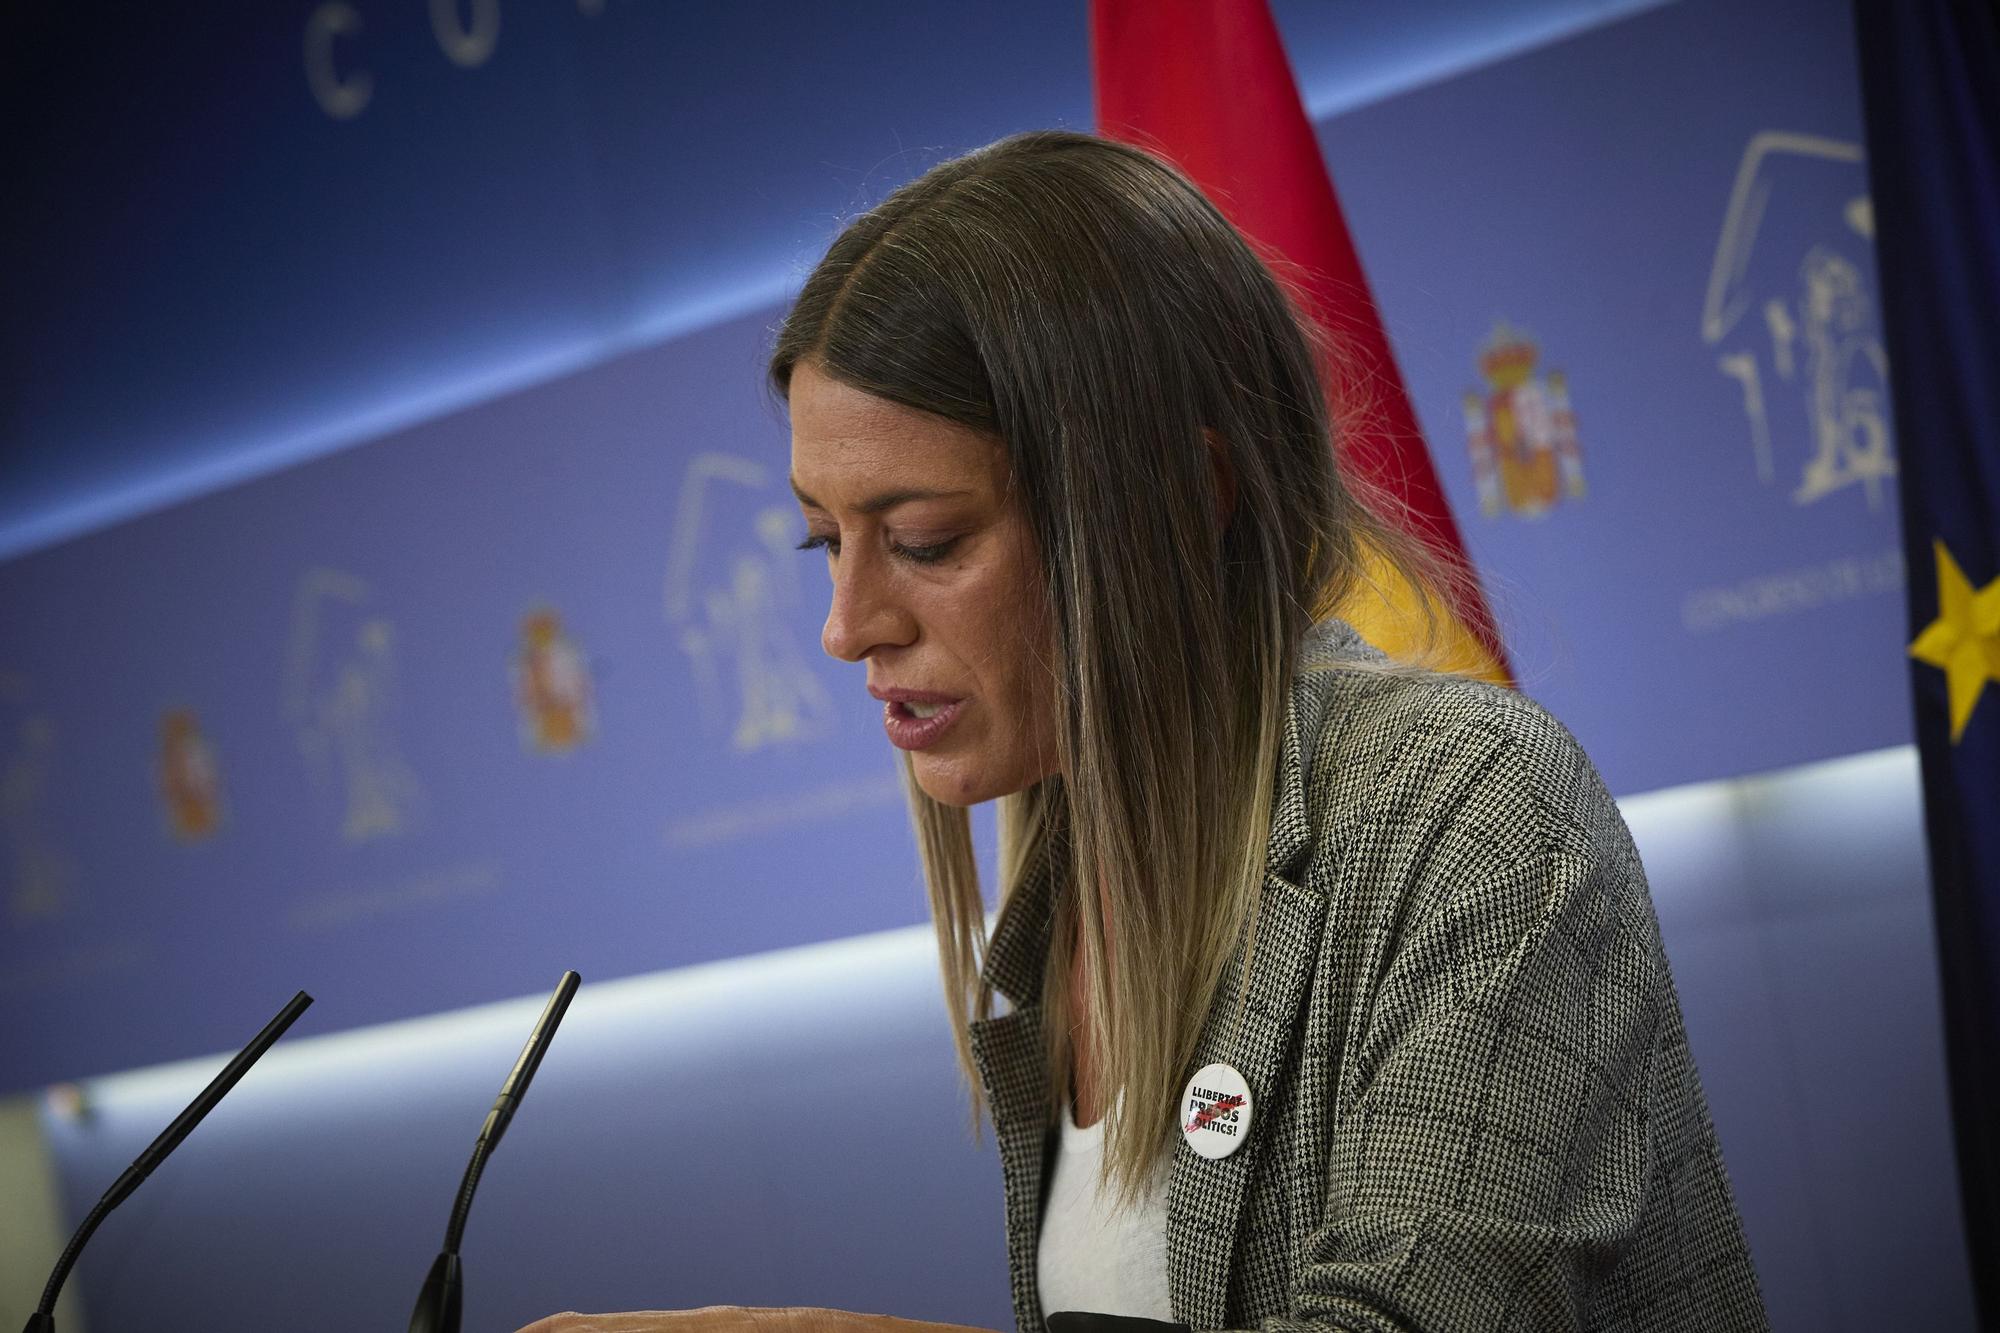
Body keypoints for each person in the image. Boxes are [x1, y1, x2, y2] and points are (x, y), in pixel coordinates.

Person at [520, 131, 1768, 1333]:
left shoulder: (1475, 807)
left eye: (924, 541)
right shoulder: (1060, 889)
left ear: (1182, 497)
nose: (846, 626)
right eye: (819, 543)